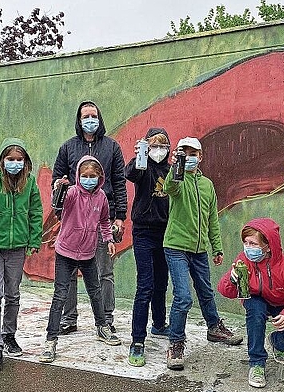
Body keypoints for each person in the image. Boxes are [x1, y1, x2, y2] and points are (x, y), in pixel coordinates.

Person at [163, 136, 243, 371]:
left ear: (201, 156)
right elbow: (170, 186)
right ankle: (176, 343)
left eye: (193, 153)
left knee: (206, 291)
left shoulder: (207, 185)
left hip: (199, 250)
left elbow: (211, 220)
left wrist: (216, 247)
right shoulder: (178, 179)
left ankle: (214, 328)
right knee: (184, 298)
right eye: (184, 153)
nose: (189, 157)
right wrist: (176, 166)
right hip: (176, 246)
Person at [52, 100, 127, 334]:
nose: (90, 120)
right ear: (79, 120)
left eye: (93, 116)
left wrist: (120, 216)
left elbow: (120, 182)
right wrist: (58, 211)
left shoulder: (112, 147)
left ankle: (106, 318)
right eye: (85, 116)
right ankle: (68, 318)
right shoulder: (68, 148)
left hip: (102, 218)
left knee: (104, 273)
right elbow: (57, 180)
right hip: (73, 223)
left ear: (100, 118)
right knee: (71, 274)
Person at [39, 156, 121, 363]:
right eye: (84, 176)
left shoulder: (101, 196)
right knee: (60, 295)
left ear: (100, 177)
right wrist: (59, 188)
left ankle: (102, 327)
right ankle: (51, 339)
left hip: (88, 253)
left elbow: (104, 221)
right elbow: (57, 204)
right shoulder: (72, 193)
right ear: (78, 176)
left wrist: (109, 239)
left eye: (92, 176)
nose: (88, 179)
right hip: (65, 252)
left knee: (95, 292)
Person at [217, 218, 284, 388]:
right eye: (246, 243)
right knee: (255, 310)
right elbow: (225, 291)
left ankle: (276, 342)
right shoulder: (243, 260)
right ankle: (256, 363)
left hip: (281, 304)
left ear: (268, 246)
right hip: (255, 299)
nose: (248, 247)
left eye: (253, 244)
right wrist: (232, 280)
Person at [0, 137, 43, 373]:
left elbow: (36, 212)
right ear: (2, 161)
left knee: (13, 294)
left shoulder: (30, 183)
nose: (15, 163)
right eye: (10, 159)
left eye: (19, 159)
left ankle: (8, 335)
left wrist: (35, 239)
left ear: (25, 162)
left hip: (17, 247)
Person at [124, 128, 171, 367]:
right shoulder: (142, 166)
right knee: (145, 285)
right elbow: (129, 173)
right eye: (154, 145)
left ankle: (159, 324)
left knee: (162, 283)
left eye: (163, 145)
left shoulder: (171, 169)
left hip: (166, 232)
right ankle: (137, 340)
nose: (159, 150)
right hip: (143, 232)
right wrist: (139, 155)